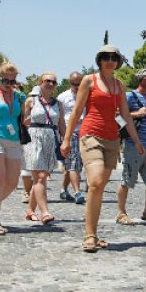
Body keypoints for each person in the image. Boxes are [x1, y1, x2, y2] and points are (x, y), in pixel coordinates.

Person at [61, 45, 145, 252]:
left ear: (118, 61)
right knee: (96, 182)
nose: (110, 60)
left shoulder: (119, 85)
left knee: (97, 188)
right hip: (90, 135)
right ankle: (89, 234)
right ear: (99, 60)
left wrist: (136, 140)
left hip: (112, 139)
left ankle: (93, 233)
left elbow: (125, 115)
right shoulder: (89, 80)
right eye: (106, 57)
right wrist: (65, 139)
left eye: (114, 57)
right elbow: (77, 111)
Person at [115, 68, 146, 226]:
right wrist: (136, 114)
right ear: (144, 79)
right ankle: (121, 213)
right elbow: (117, 116)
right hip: (132, 145)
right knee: (127, 181)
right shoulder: (130, 96)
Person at [0, 62, 26, 235]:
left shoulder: (19, 96)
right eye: (5, 81)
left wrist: (26, 122)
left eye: (12, 81)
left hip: (14, 139)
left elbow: (22, 117)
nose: (9, 84)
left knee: (12, 182)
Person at [24, 73, 66, 224]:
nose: (50, 84)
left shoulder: (58, 103)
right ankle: (45, 212)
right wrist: (26, 121)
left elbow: (61, 123)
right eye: (47, 81)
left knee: (39, 179)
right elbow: (22, 121)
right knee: (41, 177)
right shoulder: (31, 100)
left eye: (54, 82)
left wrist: (65, 141)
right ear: (40, 82)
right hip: (34, 138)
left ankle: (30, 211)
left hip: (51, 139)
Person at [57, 71, 85, 204]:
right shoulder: (62, 97)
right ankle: (77, 192)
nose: (76, 86)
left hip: (85, 132)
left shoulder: (86, 95)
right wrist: (63, 137)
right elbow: (59, 118)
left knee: (75, 165)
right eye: (74, 84)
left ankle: (63, 189)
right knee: (73, 163)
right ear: (70, 83)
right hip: (70, 132)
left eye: (79, 84)